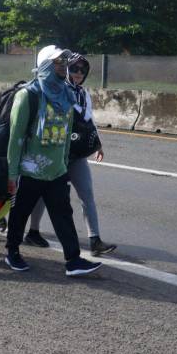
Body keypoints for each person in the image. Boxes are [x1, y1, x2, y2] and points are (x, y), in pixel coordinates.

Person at [4, 45, 101, 277]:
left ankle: (73, 260)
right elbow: (16, 138)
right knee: (20, 213)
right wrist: (11, 174)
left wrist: (64, 164)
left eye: (64, 62)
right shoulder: (27, 95)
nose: (64, 67)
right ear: (46, 65)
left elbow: (67, 134)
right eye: (58, 62)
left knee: (63, 214)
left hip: (57, 169)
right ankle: (12, 252)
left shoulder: (67, 94)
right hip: (30, 169)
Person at [20, 52, 117, 257]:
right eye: (74, 68)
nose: (78, 73)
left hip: (76, 153)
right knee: (42, 195)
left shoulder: (83, 94)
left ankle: (95, 240)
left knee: (87, 195)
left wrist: (97, 143)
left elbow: (88, 119)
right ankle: (32, 232)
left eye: (83, 69)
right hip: (55, 152)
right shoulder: (58, 90)